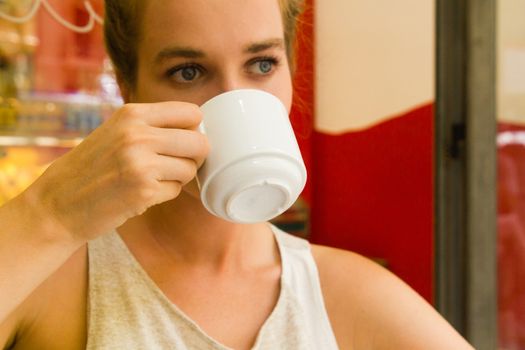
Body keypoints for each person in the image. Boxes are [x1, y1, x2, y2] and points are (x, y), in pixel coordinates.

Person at [0, 0, 474, 349]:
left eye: (262, 64)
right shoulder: (56, 274)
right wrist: (51, 214)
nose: (233, 96)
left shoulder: (343, 292)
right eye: (188, 72)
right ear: (129, 89)